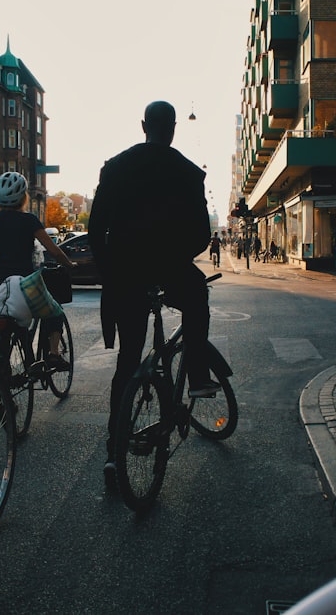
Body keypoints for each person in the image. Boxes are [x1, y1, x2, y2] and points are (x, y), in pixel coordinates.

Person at [88, 100, 221, 488]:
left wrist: (110, 269)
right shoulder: (187, 171)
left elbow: (97, 229)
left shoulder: (115, 167)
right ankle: (197, 373)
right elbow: (201, 233)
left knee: (129, 360)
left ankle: (115, 449)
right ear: (173, 128)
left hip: (125, 273)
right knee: (196, 298)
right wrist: (173, 258)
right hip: (170, 267)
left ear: (143, 125)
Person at [0, 171, 76, 370]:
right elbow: (53, 250)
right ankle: (53, 354)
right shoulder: (29, 220)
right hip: (23, 285)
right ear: (24, 197)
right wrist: (68, 264)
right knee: (54, 311)